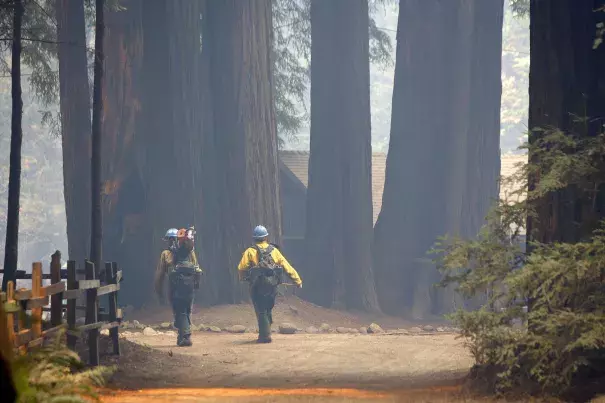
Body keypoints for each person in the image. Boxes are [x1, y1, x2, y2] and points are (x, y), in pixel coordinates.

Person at [238, 225, 302, 343]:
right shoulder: (274, 251)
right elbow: (287, 266)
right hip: (272, 285)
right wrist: (297, 280)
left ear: (254, 238)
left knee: (260, 309)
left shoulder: (250, 251)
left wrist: (244, 278)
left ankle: (265, 336)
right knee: (268, 307)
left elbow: (242, 268)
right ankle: (267, 329)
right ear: (266, 237)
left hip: (257, 285)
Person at [154, 227, 202, 347]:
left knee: (179, 311)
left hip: (174, 286)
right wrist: (196, 284)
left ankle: (185, 336)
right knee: (186, 309)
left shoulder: (165, 254)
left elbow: (160, 274)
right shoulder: (190, 252)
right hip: (189, 285)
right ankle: (182, 336)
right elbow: (197, 269)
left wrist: (159, 291)